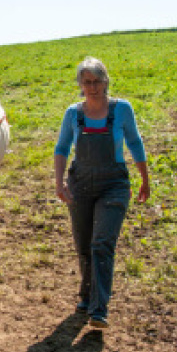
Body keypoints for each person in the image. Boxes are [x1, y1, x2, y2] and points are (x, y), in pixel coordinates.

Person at [54, 57, 150, 329]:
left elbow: (134, 142)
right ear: (80, 85)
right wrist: (59, 182)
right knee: (84, 245)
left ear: (106, 82)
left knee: (102, 244)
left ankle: (99, 309)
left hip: (114, 184)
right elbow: (62, 148)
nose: (93, 87)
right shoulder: (74, 114)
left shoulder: (122, 110)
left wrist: (144, 179)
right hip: (80, 184)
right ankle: (86, 296)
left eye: (97, 81)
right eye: (87, 82)